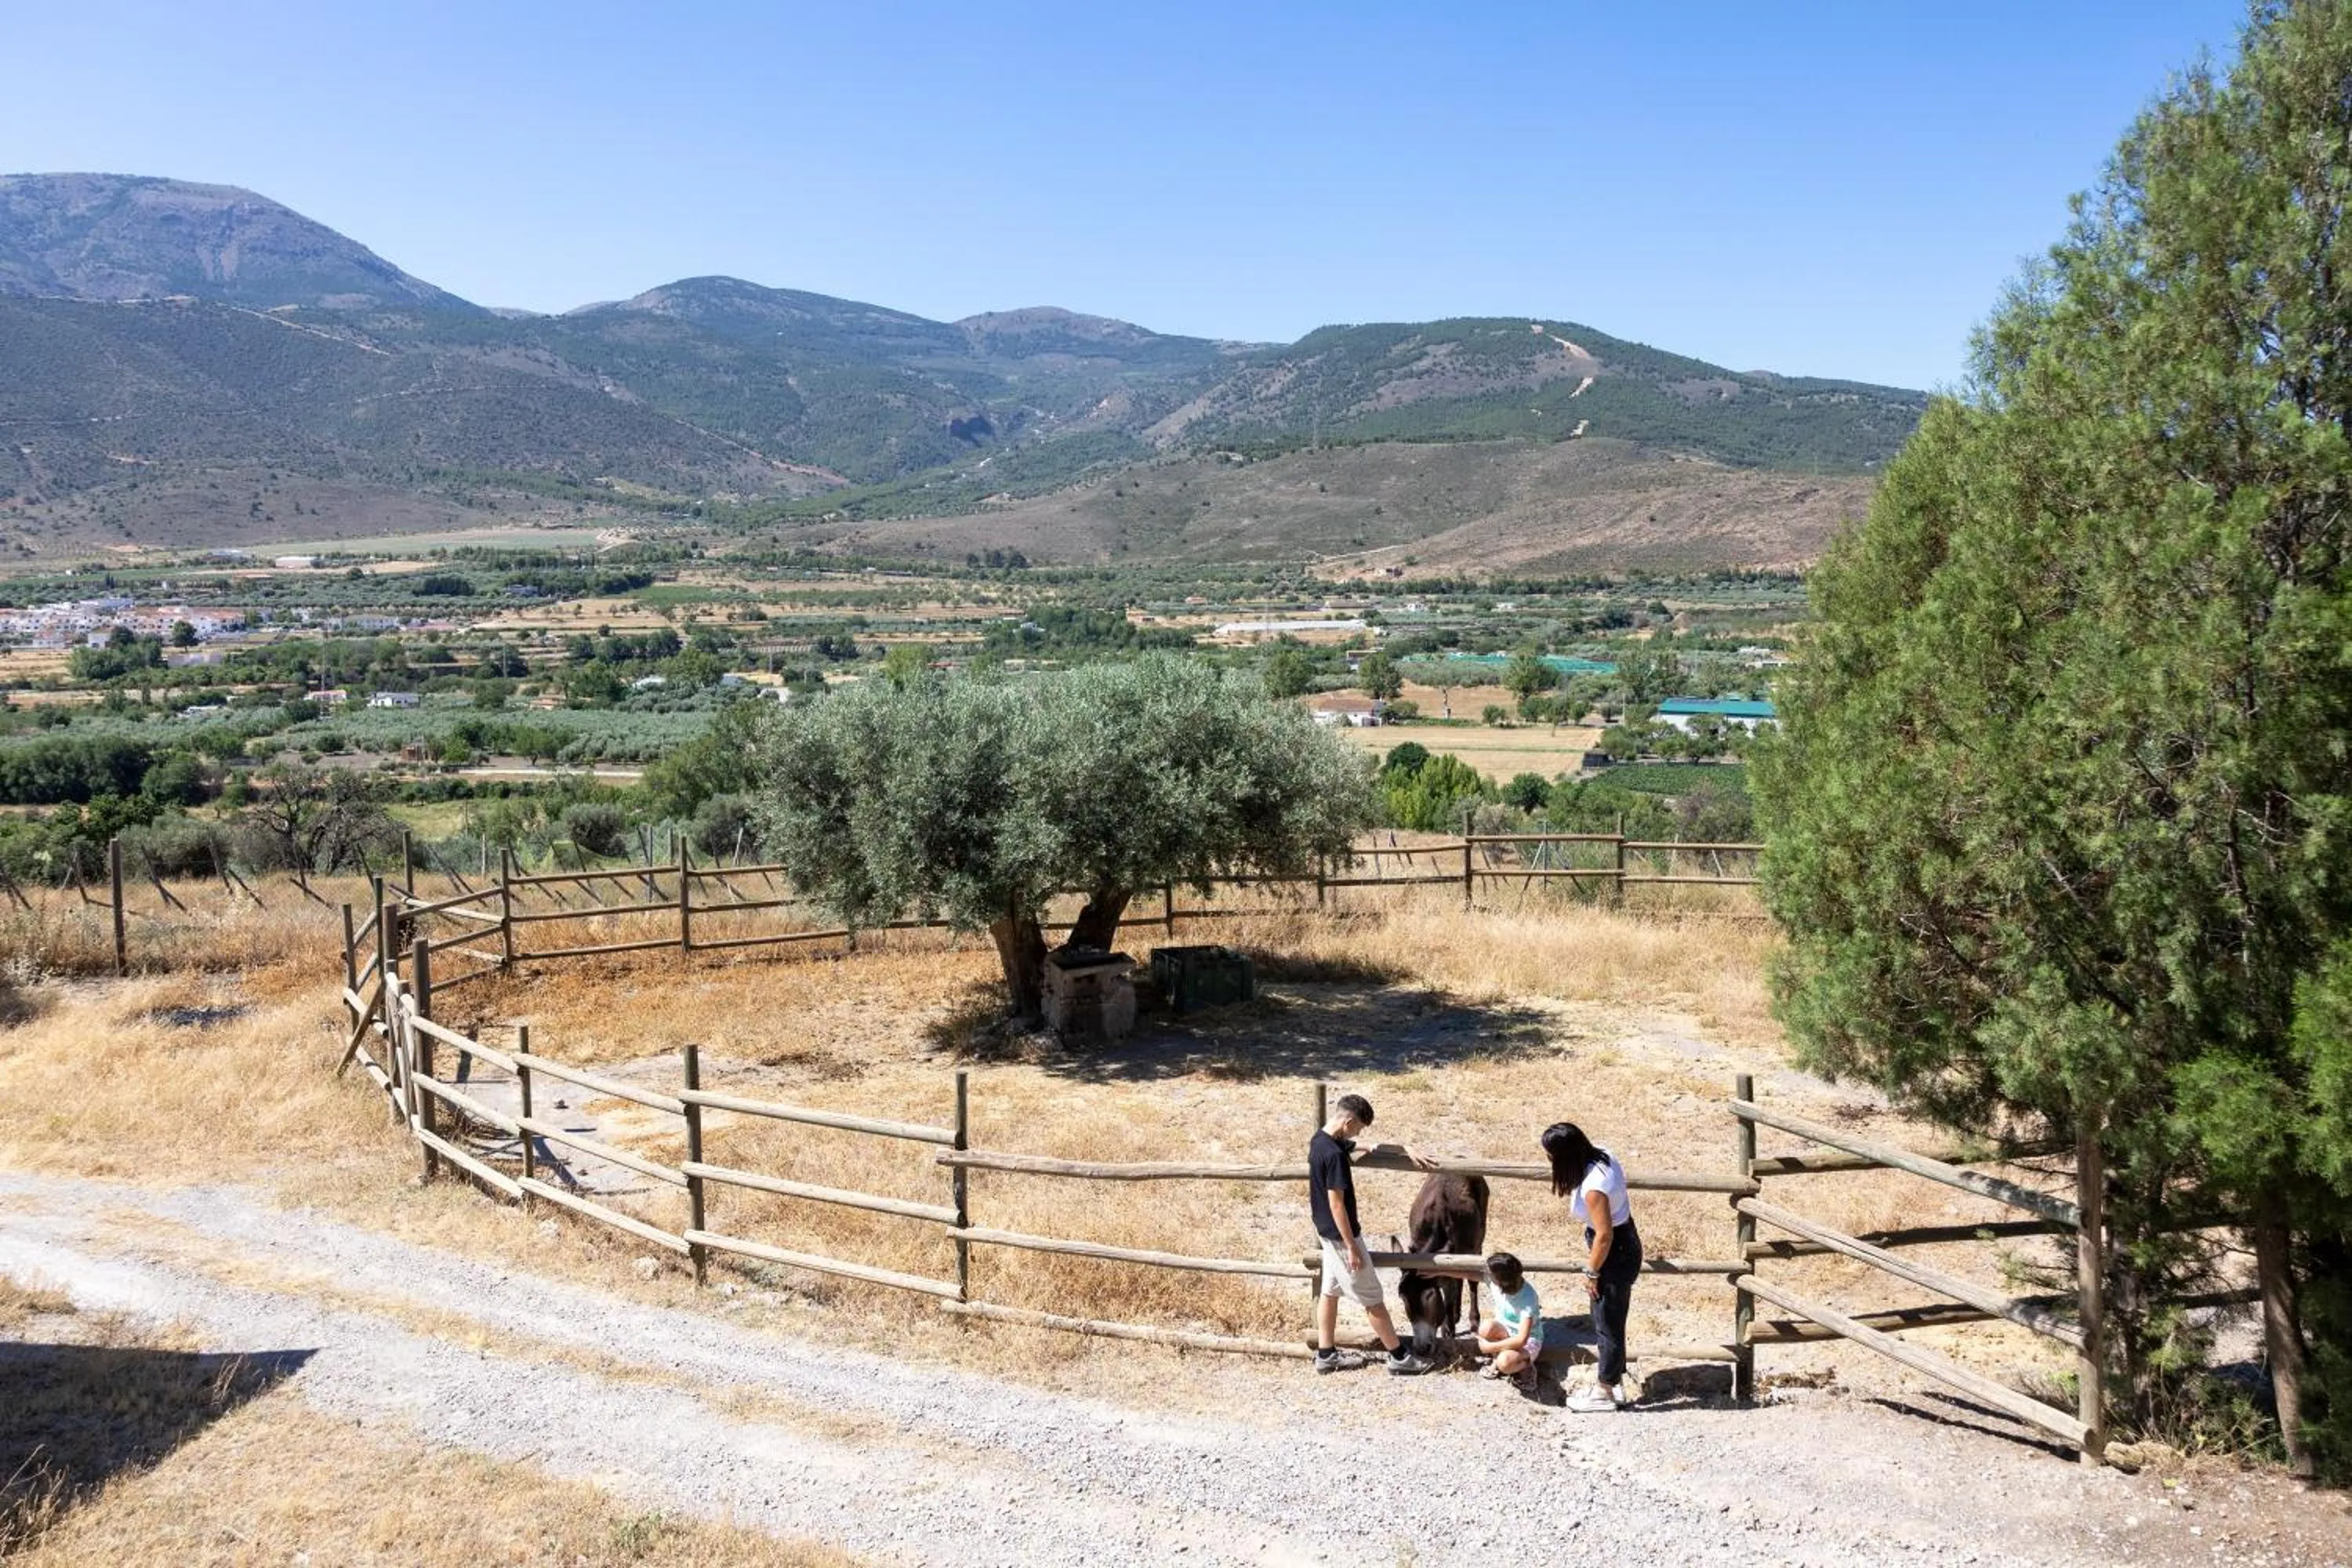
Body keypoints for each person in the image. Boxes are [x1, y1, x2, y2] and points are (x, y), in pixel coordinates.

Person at [1310, 1092, 1436, 1375]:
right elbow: (1337, 1204)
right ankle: (1400, 1357)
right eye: (1358, 1128)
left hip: (1326, 1235)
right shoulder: (1334, 1156)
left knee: (1329, 1293)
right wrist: (1352, 1248)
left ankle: (1326, 1354)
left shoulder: (1321, 1141)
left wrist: (1404, 1148)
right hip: (1342, 1238)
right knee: (1372, 1297)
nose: (1359, 1134)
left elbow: (1367, 1146)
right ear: (1348, 1121)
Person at [1542, 1120, 1640, 1412]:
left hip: (1613, 1252)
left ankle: (1605, 1392)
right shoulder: (1603, 1155)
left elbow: (1604, 1235)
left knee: (1606, 1323)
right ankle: (1614, 1380)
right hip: (1623, 1243)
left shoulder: (1594, 1188)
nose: (1548, 1159)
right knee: (1612, 1318)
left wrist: (1592, 1272)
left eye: (1550, 1154)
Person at [1472, 1250, 1542, 1390]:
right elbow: (1472, 1275)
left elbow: (1521, 1339)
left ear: (1502, 1280)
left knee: (1504, 1363)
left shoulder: (1527, 1298)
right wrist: (1439, 1272)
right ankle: (1501, 1356)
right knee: (1485, 1327)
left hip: (1528, 1341)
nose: (1487, 1275)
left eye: (1490, 1273)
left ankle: (1525, 1365)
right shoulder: (1498, 1283)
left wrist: (1490, 1348)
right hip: (1506, 1332)